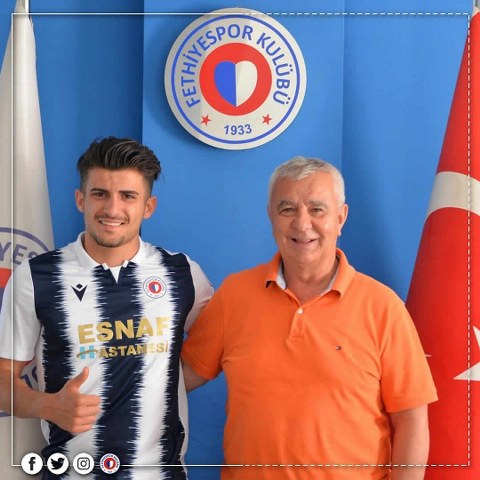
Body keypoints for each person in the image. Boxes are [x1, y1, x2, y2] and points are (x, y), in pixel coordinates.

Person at [182, 156, 438, 480]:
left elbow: (411, 419)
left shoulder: (383, 307)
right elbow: (179, 377)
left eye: (317, 209)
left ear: (341, 217)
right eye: (287, 209)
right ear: (271, 216)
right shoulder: (234, 296)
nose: (302, 224)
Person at [0, 137, 213, 479]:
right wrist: (47, 406)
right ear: (80, 199)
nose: (112, 209)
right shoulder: (35, 277)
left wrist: (160, 384)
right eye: (100, 194)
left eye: (128, 196)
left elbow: (222, 345)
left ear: (148, 206)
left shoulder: (182, 273)